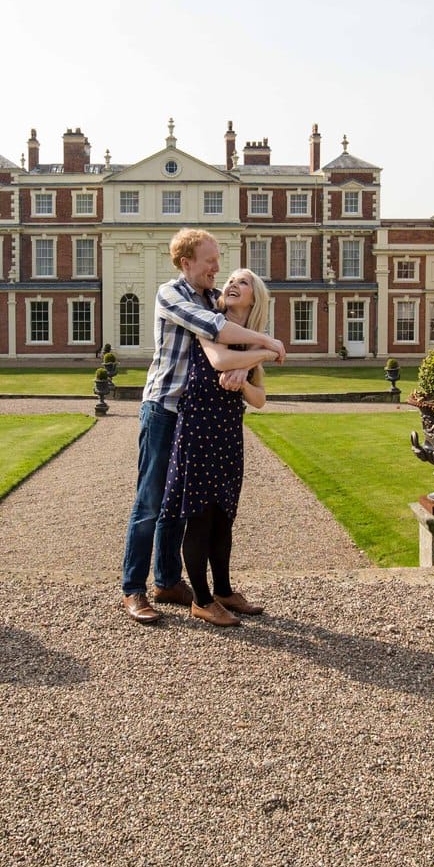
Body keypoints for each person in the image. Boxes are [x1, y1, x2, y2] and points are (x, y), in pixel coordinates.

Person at [120, 229, 284, 624]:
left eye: (218, 259)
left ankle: (168, 580)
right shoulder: (171, 294)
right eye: (210, 260)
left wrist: (249, 361)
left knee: (178, 506)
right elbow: (219, 336)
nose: (217, 267)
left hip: (194, 415)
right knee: (150, 502)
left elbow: (234, 343)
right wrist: (269, 344)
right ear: (186, 262)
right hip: (163, 408)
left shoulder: (214, 298)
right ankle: (133, 589)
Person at [161, 267, 271, 627]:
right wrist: (267, 351)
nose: (232, 285)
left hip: (227, 432)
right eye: (231, 281)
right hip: (198, 427)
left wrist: (245, 377)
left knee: (224, 517)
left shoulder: (253, 341)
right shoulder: (210, 321)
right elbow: (220, 361)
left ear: (255, 296)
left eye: (243, 282)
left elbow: (259, 399)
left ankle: (224, 590)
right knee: (200, 517)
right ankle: (203, 601)